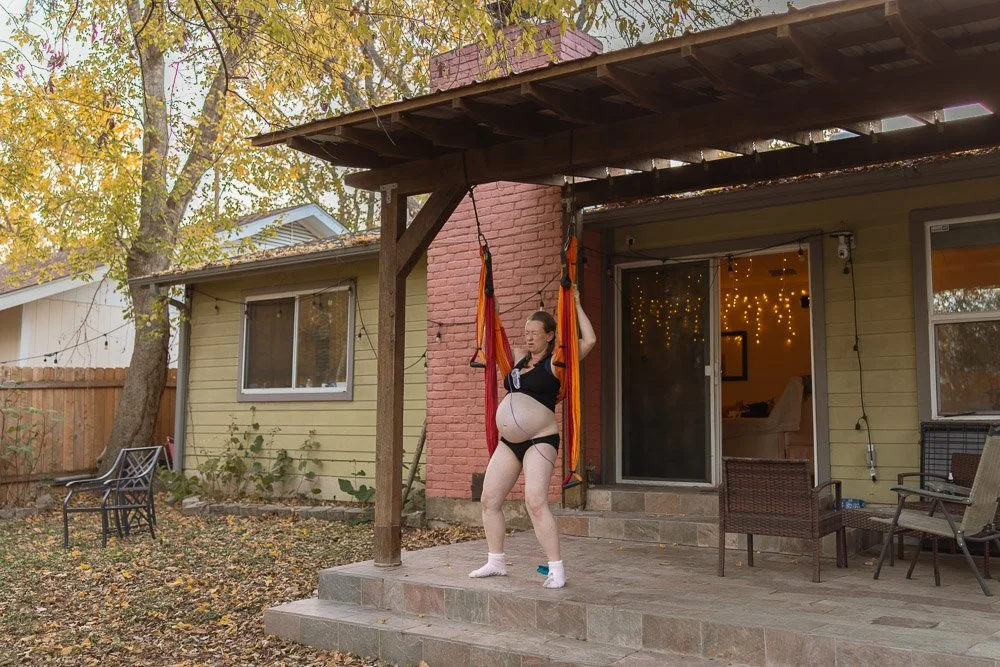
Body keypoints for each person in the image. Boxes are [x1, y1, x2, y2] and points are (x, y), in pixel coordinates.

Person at [469, 285, 596, 588]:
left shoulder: (557, 361)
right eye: (526, 332)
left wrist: (576, 302)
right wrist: (491, 306)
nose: (528, 337)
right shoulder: (516, 360)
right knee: (489, 500)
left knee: (535, 502)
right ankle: (496, 561)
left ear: (550, 335)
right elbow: (495, 336)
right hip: (508, 442)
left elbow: (590, 339)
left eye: (535, 332)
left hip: (540, 439)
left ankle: (557, 569)